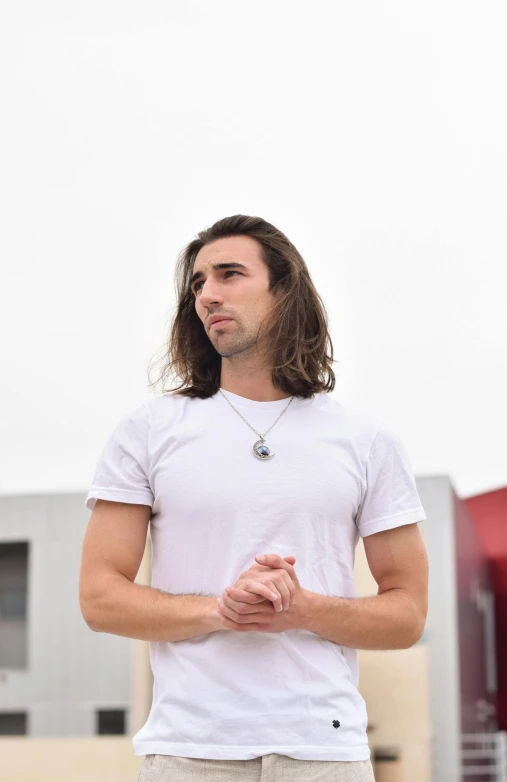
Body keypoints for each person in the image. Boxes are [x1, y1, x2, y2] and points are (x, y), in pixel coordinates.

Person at [79, 214, 429, 782]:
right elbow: (99, 598)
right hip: (187, 751)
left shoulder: (366, 441)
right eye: (197, 283)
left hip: (325, 753)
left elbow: (408, 614)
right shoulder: (148, 430)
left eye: (229, 274)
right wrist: (222, 610)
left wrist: (302, 609)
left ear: (284, 289)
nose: (207, 295)